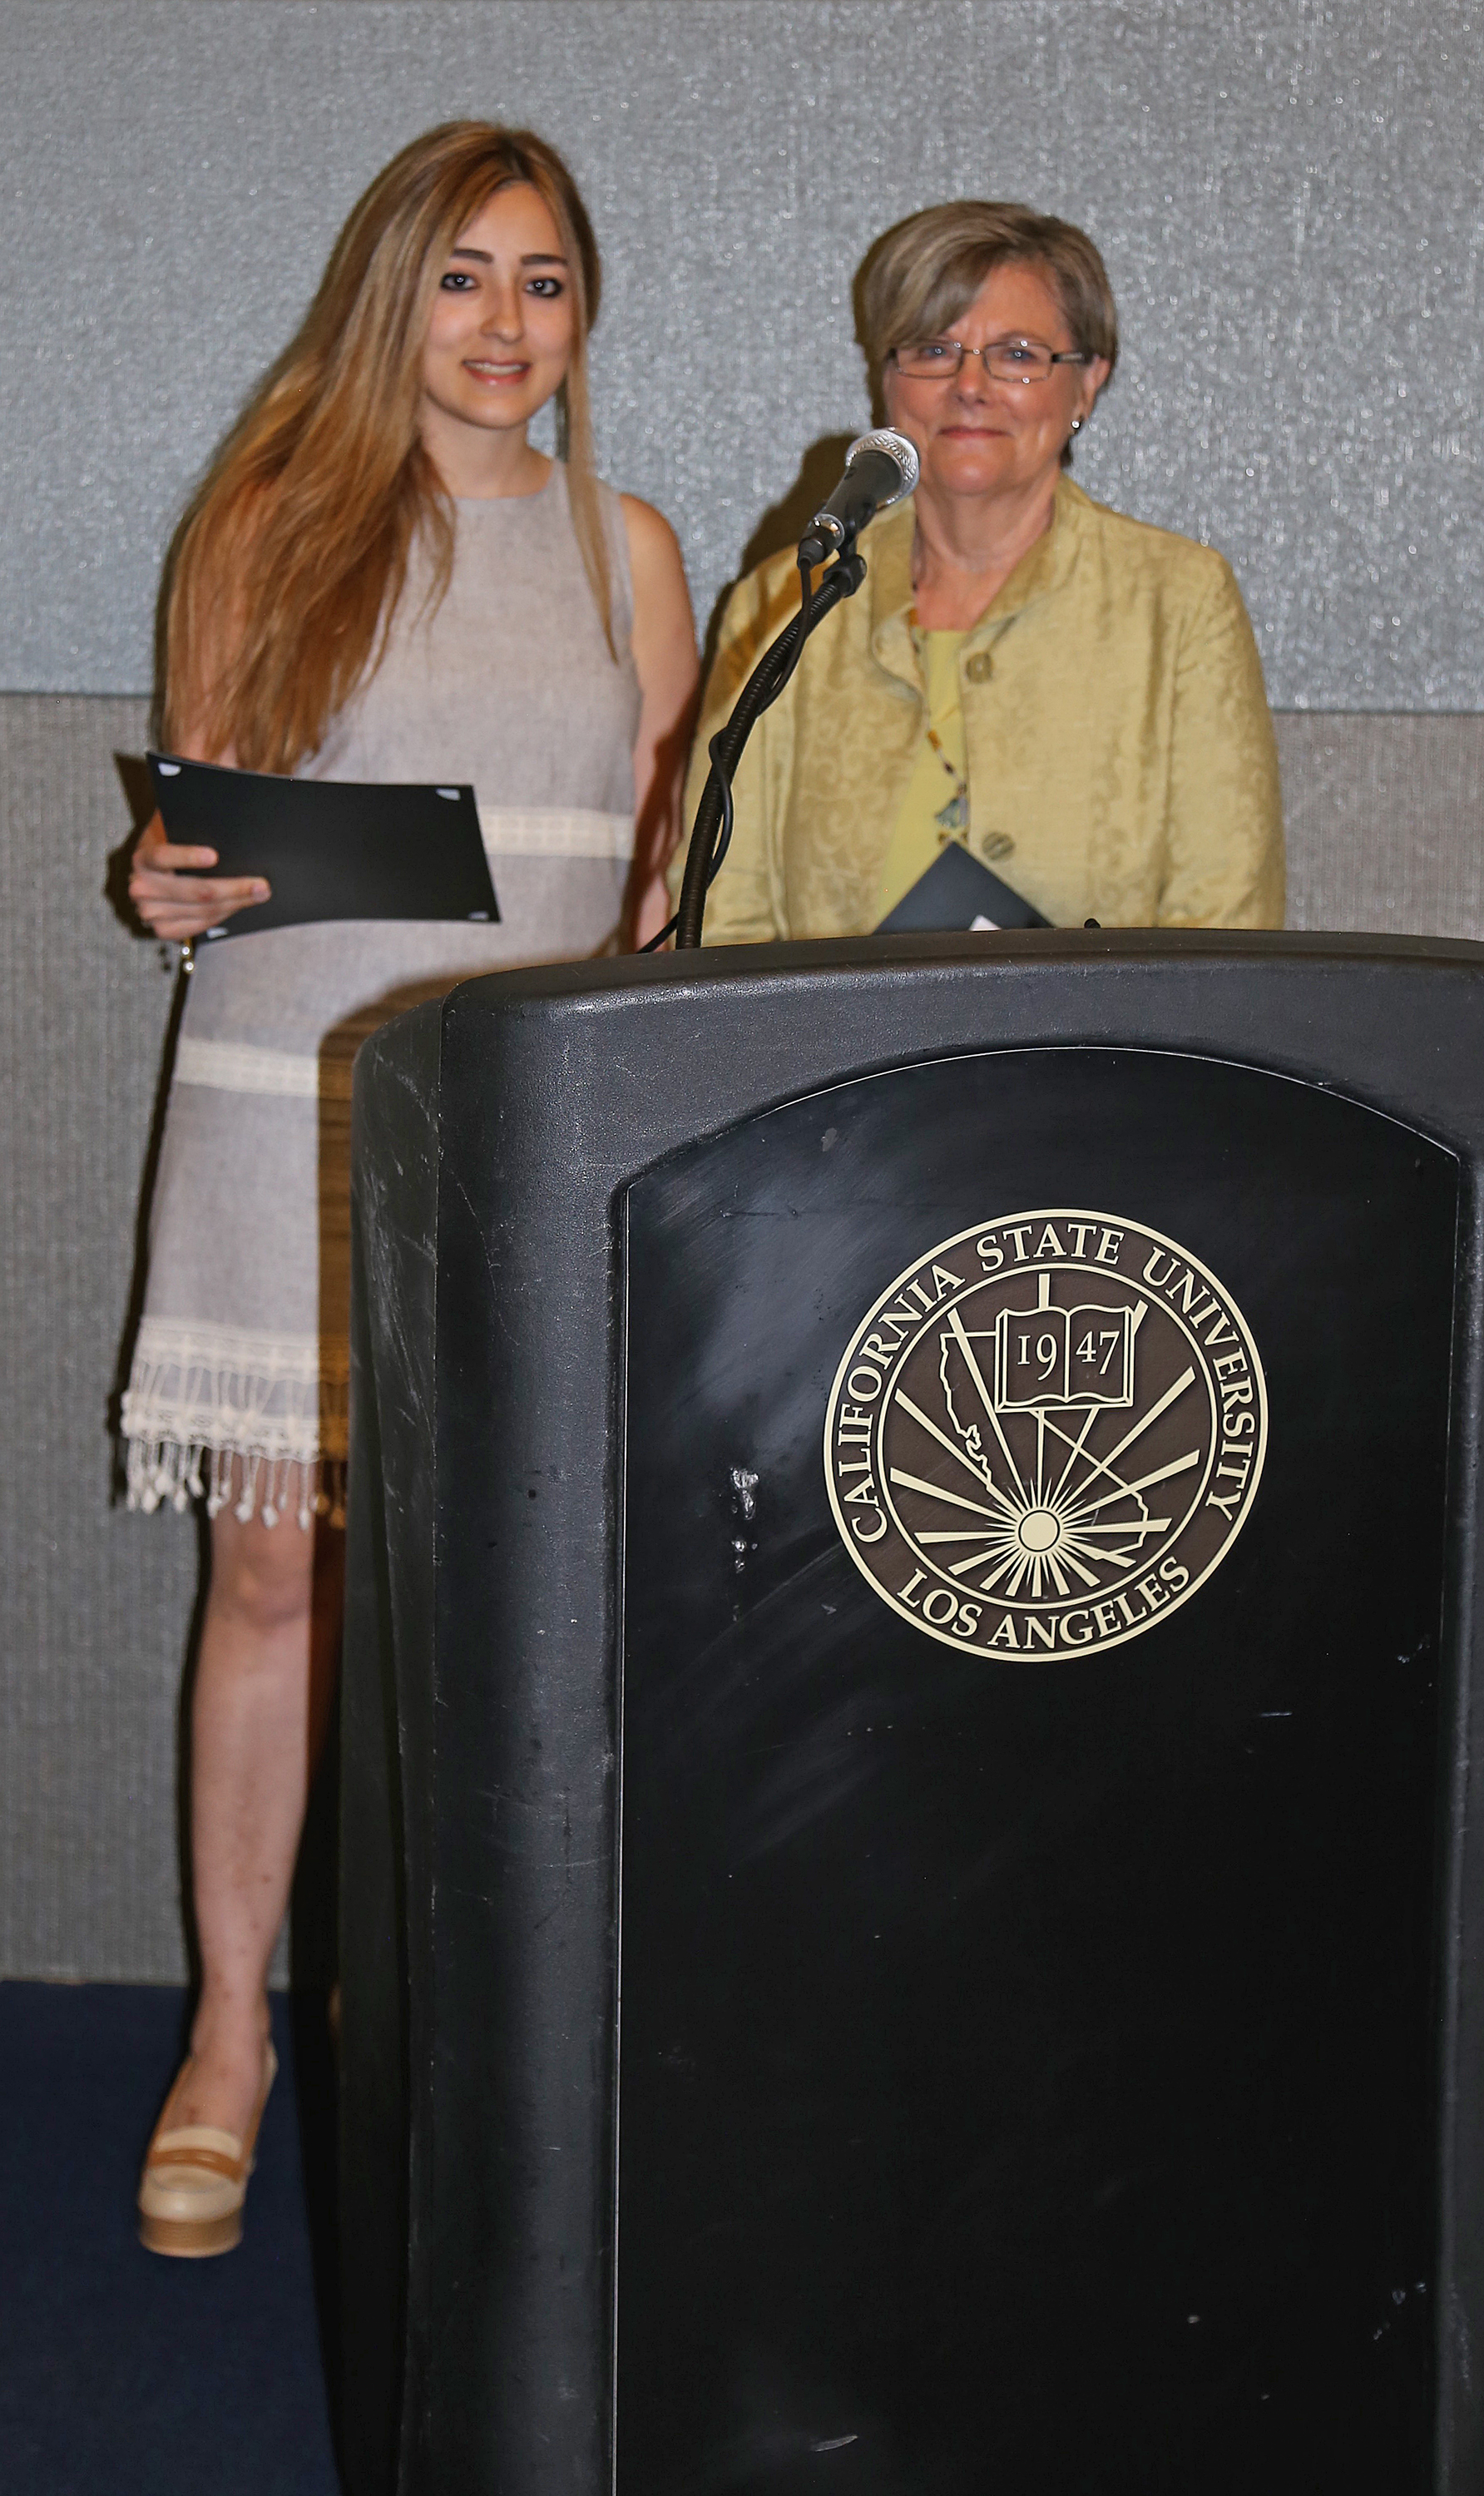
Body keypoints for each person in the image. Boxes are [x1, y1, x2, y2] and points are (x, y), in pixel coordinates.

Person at [124, 121, 697, 2256]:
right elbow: (197, 839)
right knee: (272, 1579)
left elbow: (647, 882)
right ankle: (229, 2037)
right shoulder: (267, 521)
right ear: (394, 295)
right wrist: (163, 877)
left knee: (485, 1610)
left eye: (542, 281)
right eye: (460, 276)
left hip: (513, 1133)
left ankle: (437, 2014)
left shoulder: (628, 549)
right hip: (286, 1093)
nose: (502, 324)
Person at [670, 202, 1282, 941]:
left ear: (1087, 384)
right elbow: (720, 918)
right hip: (828, 1059)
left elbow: (1224, 924)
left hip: (1103, 1058)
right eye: (933, 350)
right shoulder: (782, 602)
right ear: (887, 381)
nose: (970, 385)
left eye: (1018, 355)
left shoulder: (1180, 602)